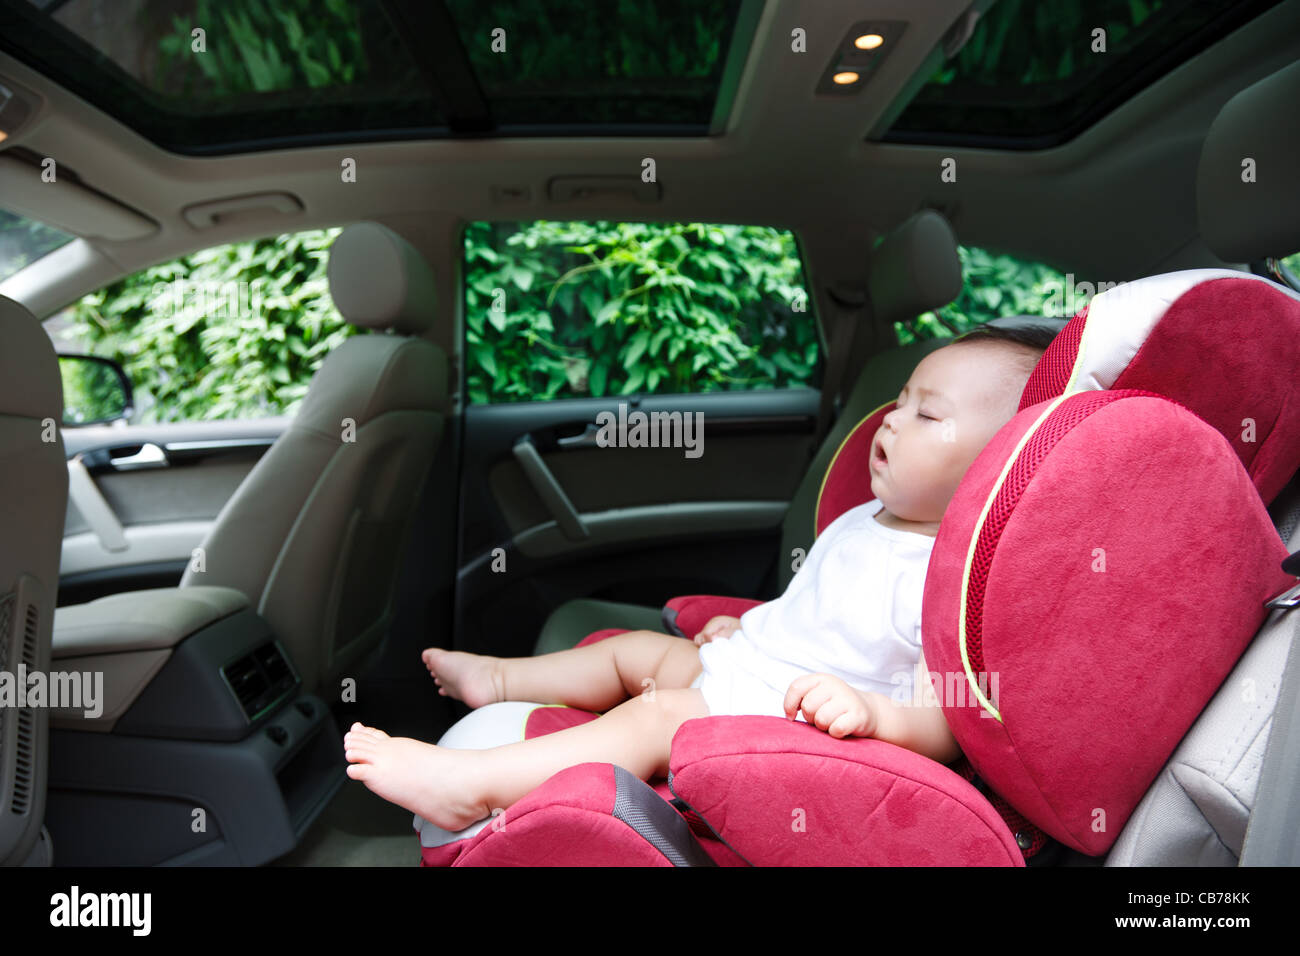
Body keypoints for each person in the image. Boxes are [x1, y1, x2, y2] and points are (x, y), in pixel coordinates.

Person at [344, 323, 1058, 832]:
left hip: (798, 719)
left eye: (926, 414)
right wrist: (746, 626)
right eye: (899, 400)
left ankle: (467, 788)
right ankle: (499, 680)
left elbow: (949, 718)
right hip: (752, 667)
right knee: (635, 651)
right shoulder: (867, 518)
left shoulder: (955, 577)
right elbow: (811, 608)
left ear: (999, 459)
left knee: (658, 714)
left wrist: (876, 716)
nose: (891, 423)